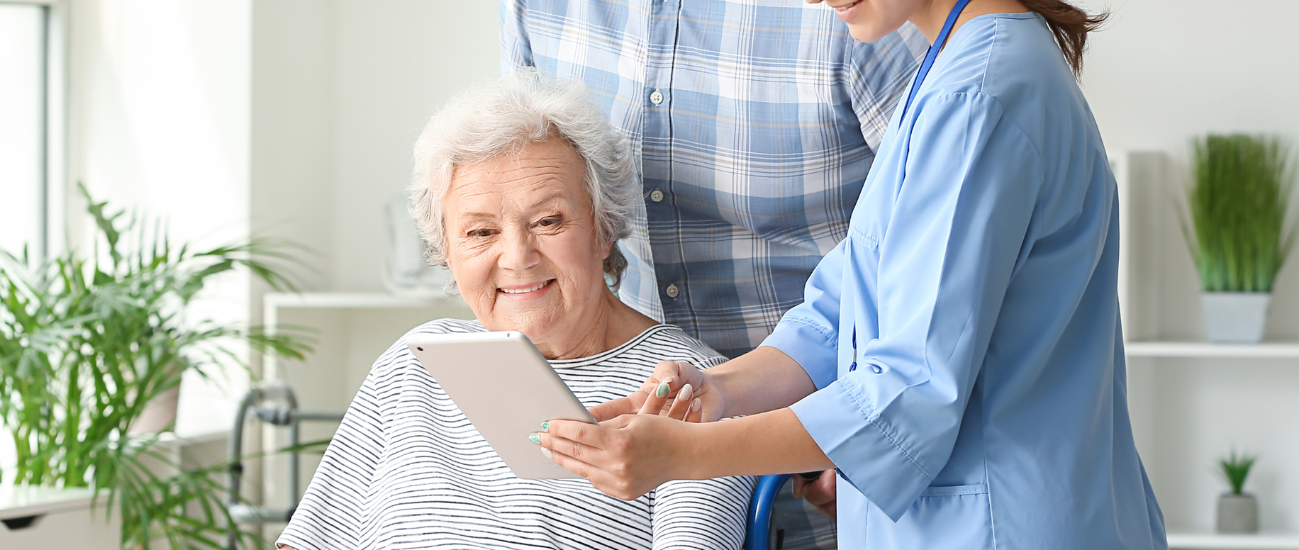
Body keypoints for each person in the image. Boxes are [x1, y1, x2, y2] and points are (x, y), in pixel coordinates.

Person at [531, 0, 1168, 547]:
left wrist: (683, 455)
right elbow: (842, 314)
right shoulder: (951, 72)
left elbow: (907, 395)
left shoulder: (978, 97)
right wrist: (714, 392)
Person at [502, 2, 926, 543]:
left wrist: (855, 440)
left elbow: (925, 255)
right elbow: (519, 185)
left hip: (834, 458)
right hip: (634, 459)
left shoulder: (856, 11)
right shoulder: (534, 8)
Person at [276, 70, 751, 550]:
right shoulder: (412, 363)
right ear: (447, 251)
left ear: (604, 230)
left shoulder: (694, 388)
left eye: (548, 221)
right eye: (480, 232)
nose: (517, 256)